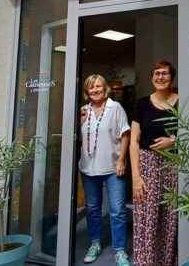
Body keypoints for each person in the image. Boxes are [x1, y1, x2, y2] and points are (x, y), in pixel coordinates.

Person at [78, 74, 131, 266]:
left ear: (105, 88)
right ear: (87, 91)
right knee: (92, 209)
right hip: (88, 168)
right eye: (91, 87)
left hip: (112, 167)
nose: (95, 90)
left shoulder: (115, 108)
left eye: (98, 86)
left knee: (117, 210)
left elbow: (125, 134)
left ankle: (119, 251)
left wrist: (122, 160)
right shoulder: (84, 110)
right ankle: (95, 244)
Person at [130, 60, 179, 266]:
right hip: (147, 165)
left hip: (174, 165)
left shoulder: (181, 101)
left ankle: (166, 261)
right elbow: (133, 140)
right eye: (157, 73)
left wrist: (173, 140)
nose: (160, 77)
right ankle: (145, 262)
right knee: (146, 217)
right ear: (152, 78)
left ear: (172, 77)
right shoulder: (142, 104)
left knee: (170, 217)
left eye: (165, 73)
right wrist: (136, 177)